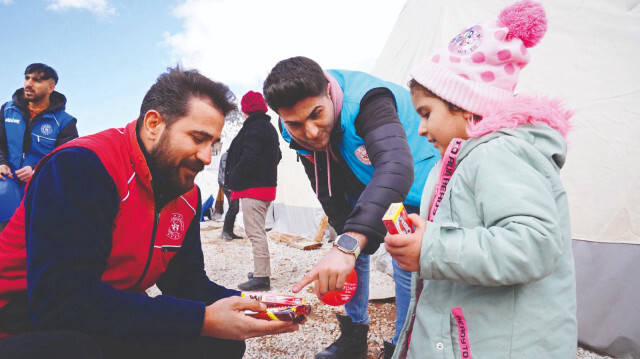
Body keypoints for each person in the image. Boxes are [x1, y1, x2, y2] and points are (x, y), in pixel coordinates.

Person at [0, 66, 299, 359]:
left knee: (222, 344)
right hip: (19, 320)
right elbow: (60, 303)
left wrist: (253, 305)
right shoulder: (84, 166)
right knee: (72, 349)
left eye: (213, 143)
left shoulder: (187, 192)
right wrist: (202, 320)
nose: (207, 157)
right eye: (198, 138)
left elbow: (185, 283)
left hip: (95, 315)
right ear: (154, 124)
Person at [384, 1, 578, 358]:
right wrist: (426, 237)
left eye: (426, 113)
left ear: (467, 104)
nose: (422, 129)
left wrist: (433, 247)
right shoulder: (461, 159)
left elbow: (534, 243)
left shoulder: (499, 153)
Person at [263, 57, 440, 359]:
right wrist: (345, 238)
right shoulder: (289, 128)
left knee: (404, 255)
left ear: (329, 94)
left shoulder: (370, 100)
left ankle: (402, 343)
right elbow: (321, 180)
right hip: (357, 179)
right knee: (347, 246)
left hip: (412, 182)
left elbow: (396, 167)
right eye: (295, 124)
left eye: (316, 114)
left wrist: (348, 245)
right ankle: (354, 334)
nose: (312, 131)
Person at [0, 63, 78, 232]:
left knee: (30, 248)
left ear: (51, 87)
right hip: (5, 194)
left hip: (40, 196)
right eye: (27, 78)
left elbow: (67, 159)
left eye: (36, 80)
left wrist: (36, 170)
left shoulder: (65, 122)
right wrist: (2, 162)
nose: (28, 83)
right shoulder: (7, 110)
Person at [225, 91, 281, 291]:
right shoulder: (268, 127)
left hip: (253, 189)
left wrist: (234, 176)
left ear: (245, 109)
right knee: (257, 230)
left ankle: (261, 278)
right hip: (264, 187)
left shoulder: (254, 128)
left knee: (255, 232)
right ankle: (260, 270)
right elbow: (278, 156)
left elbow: (250, 157)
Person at [218, 150, 242, 239]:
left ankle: (230, 232)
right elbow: (227, 169)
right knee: (233, 207)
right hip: (227, 185)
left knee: (235, 208)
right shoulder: (226, 156)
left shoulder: (232, 156)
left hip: (232, 185)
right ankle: (225, 232)